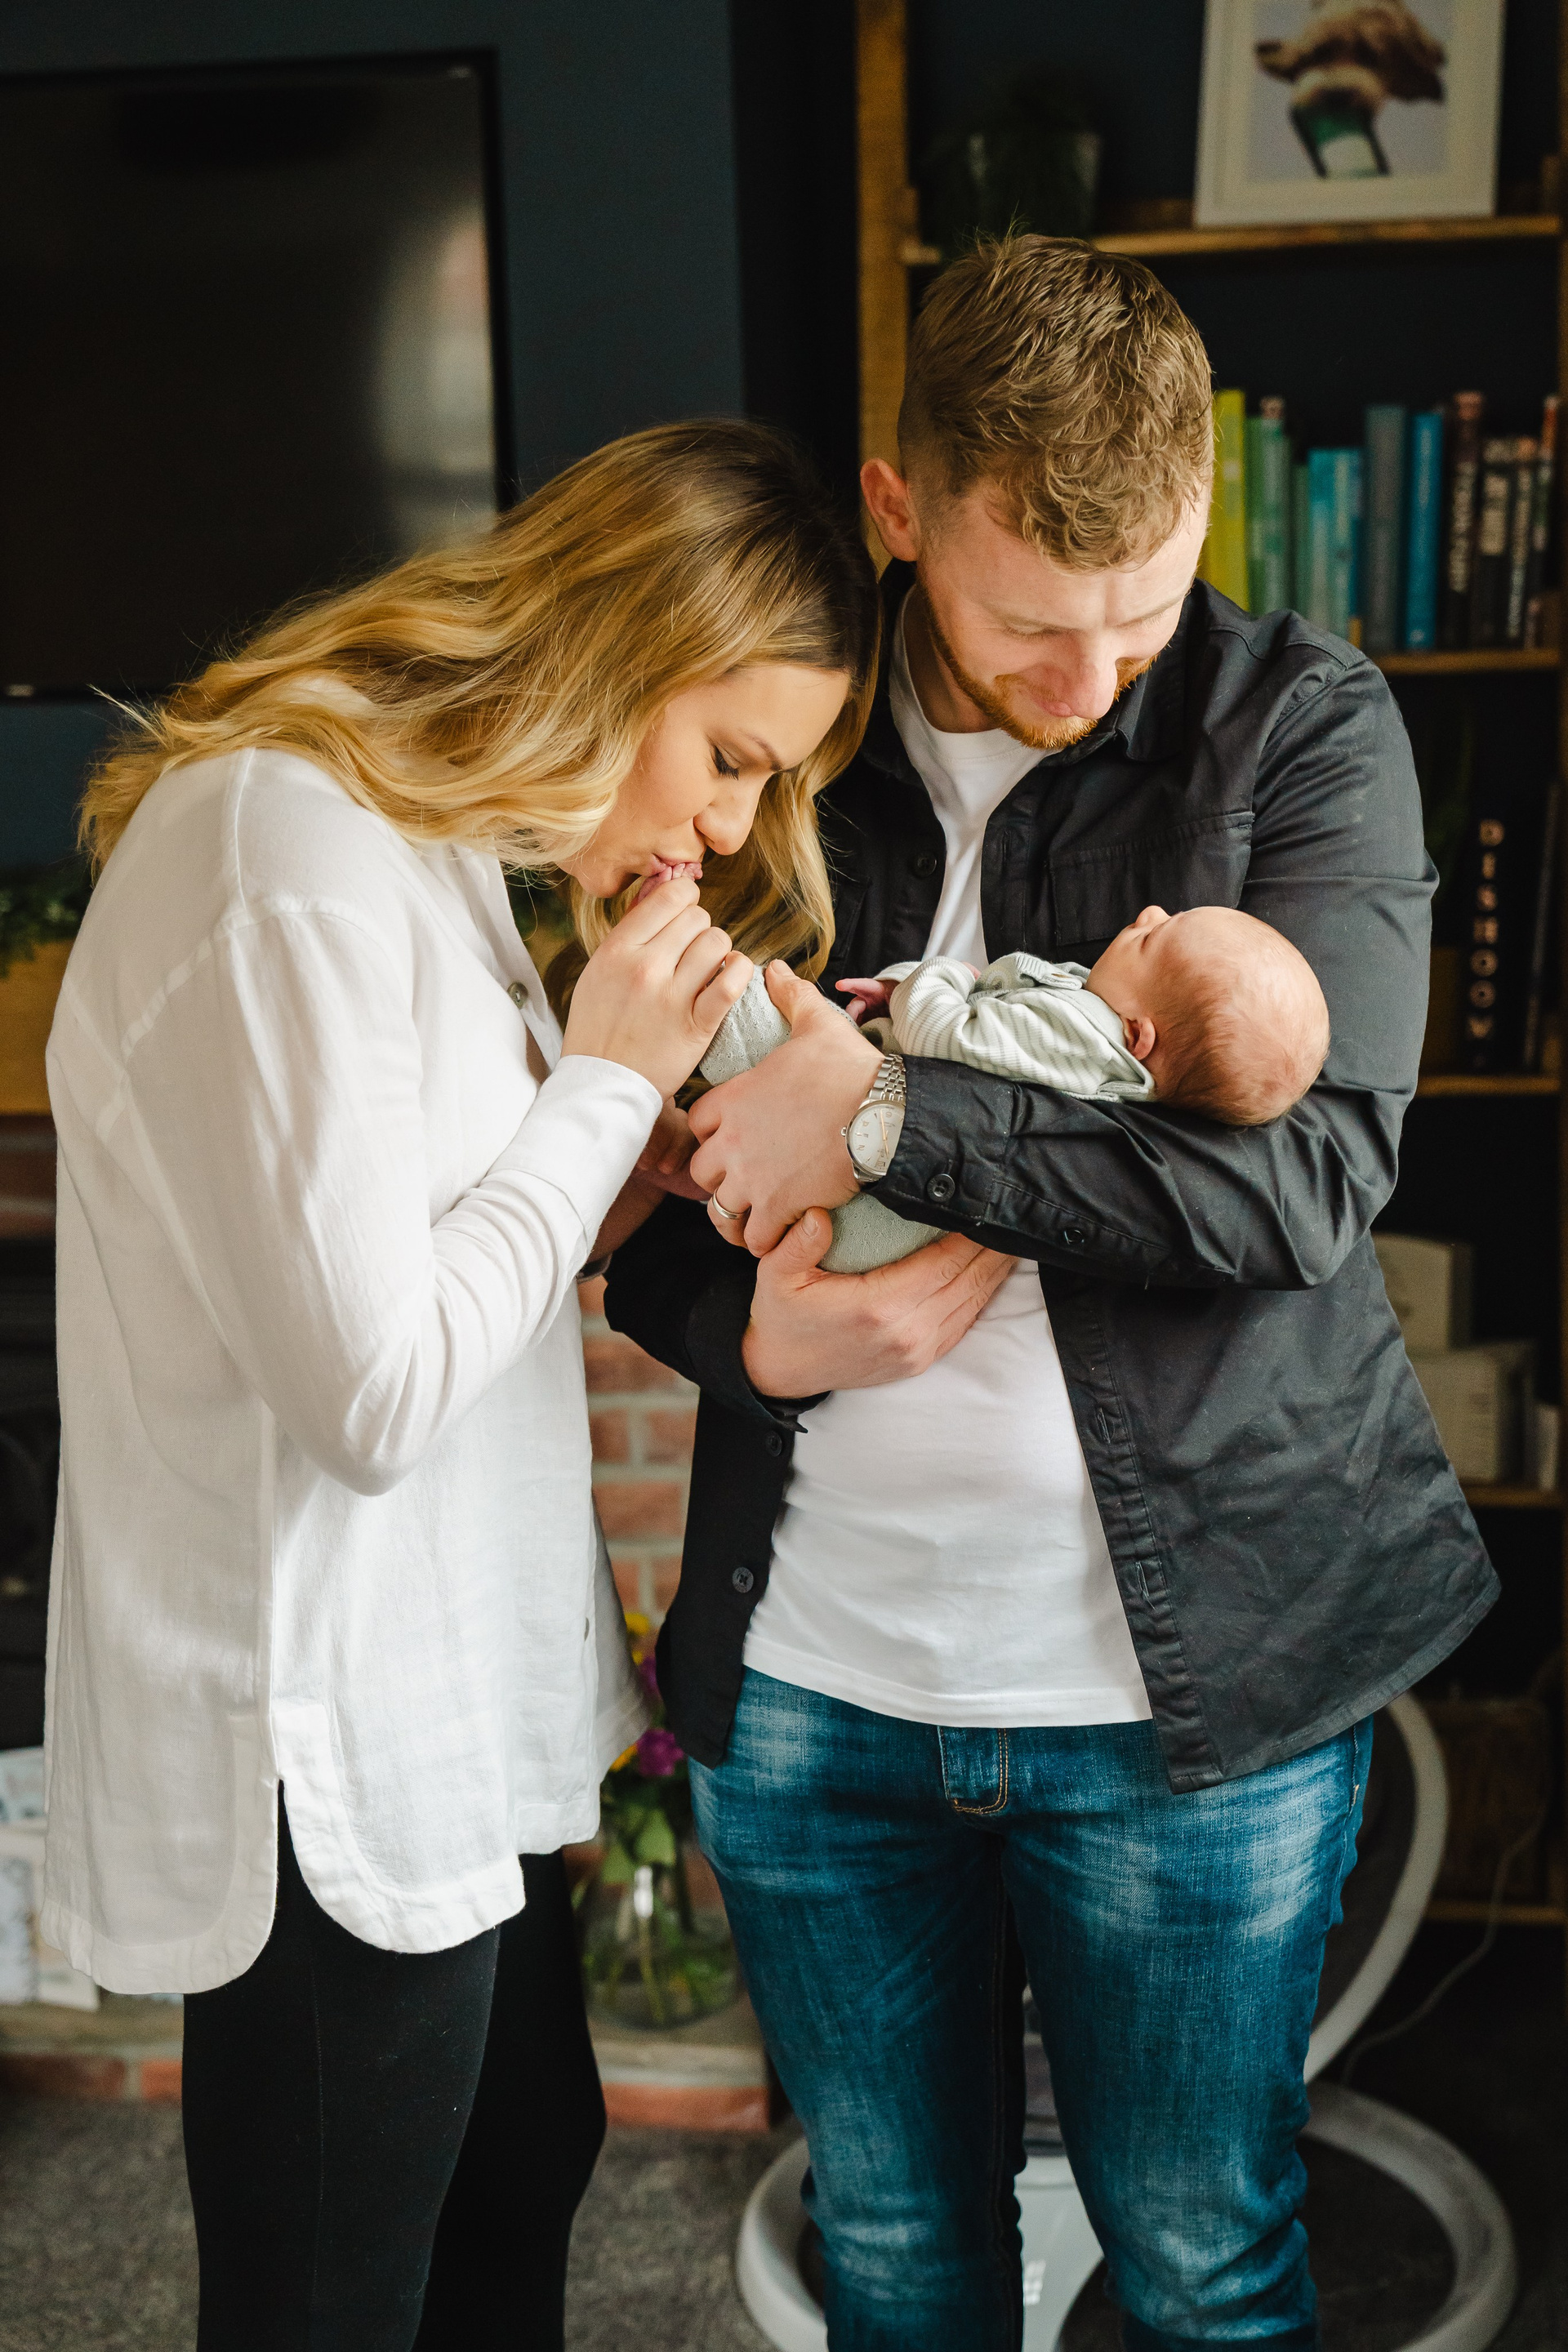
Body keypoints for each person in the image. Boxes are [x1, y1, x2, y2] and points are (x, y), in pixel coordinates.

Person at [604, 240, 1495, 2351]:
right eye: (1030, 624)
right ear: (899, 509)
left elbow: (1301, 1182)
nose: (1094, 678)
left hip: (1198, 1706)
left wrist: (888, 1118)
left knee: (1202, 2263)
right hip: (814, 1683)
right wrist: (740, 1336)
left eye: (1145, 612)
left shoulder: (1300, 727)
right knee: (895, 2256)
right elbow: (631, 1166)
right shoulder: (767, 732)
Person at [42, 418, 879, 2352]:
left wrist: (615, 1161)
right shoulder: (279, 849)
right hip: (326, 1741)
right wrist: (597, 1086)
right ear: (617, 643)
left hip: (445, 1710)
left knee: (520, 2176)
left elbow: (424, 1255)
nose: (732, 829)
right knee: (337, 2296)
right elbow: (370, 1389)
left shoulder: (430, 850)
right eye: (732, 756)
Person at [697, 902, 1330, 1270]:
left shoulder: (1084, 1030)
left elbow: (940, 1037)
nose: (1149, 913)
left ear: (1138, 1037)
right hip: (867, 1200)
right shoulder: (1096, 1023)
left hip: (870, 1219)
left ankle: (697, 989)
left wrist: (936, 976)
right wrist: (900, 992)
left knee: (749, 1010)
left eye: (1153, 939)